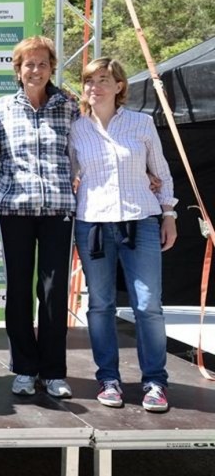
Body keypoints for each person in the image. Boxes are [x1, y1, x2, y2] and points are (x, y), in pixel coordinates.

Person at [70, 57, 177, 413]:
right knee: (100, 306)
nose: (94, 87)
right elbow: (69, 174)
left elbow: (161, 171)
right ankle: (109, 379)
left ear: (119, 87)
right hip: (93, 224)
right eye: (89, 80)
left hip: (140, 221)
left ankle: (155, 382)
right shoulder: (76, 127)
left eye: (103, 79)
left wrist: (169, 214)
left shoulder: (141, 123)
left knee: (148, 306)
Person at [0, 36, 79, 399]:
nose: (36, 70)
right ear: (17, 69)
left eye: (43, 63)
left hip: (58, 209)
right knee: (18, 291)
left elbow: (91, 149)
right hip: (16, 210)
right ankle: (25, 369)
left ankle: (54, 371)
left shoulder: (70, 107)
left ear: (51, 68)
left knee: (54, 292)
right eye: (28, 63)